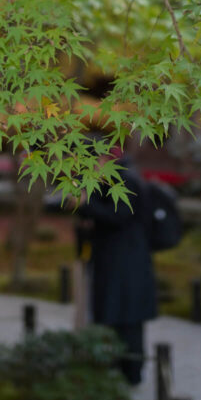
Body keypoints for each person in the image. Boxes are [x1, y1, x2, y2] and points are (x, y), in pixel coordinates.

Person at [76, 151, 157, 385]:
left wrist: (85, 204)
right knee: (113, 314)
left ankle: (131, 374)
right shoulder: (112, 180)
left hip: (126, 263)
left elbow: (119, 215)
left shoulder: (127, 180)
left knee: (128, 319)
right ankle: (115, 368)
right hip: (116, 261)